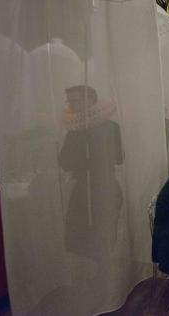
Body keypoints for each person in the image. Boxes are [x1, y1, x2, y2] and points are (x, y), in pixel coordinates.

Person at [59, 85, 123, 260]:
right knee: (82, 236)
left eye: (76, 101)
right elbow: (64, 162)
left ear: (91, 100)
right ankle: (91, 275)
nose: (72, 105)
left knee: (104, 234)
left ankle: (104, 273)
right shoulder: (74, 132)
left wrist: (94, 153)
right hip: (83, 190)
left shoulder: (111, 127)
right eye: (69, 101)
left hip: (105, 187)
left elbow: (119, 157)